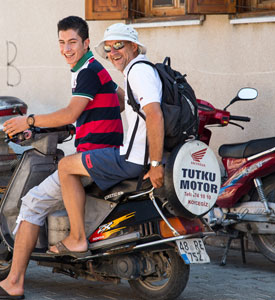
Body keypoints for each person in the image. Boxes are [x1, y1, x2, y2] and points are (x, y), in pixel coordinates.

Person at [0, 16, 123, 299]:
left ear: (86, 43)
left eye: (72, 42)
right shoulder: (96, 69)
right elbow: (116, 99)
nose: (66, 48)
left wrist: (28, 122)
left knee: (31, 203)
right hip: (106, 150)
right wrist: (85, 121)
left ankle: (14, 282)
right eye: (61, 42)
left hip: (94, 156)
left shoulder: (87, 72)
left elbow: (70, 112)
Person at [49, 23, 164, 255]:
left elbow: (154, 115)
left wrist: (156, 164)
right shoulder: (140, 70)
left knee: (65, 167)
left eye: (119, 46)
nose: (113, 53)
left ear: (133, 46)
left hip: (130, 158)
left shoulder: (137, 71)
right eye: (109, 49)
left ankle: (77, 238)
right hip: (132, 154)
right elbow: (122, 103)